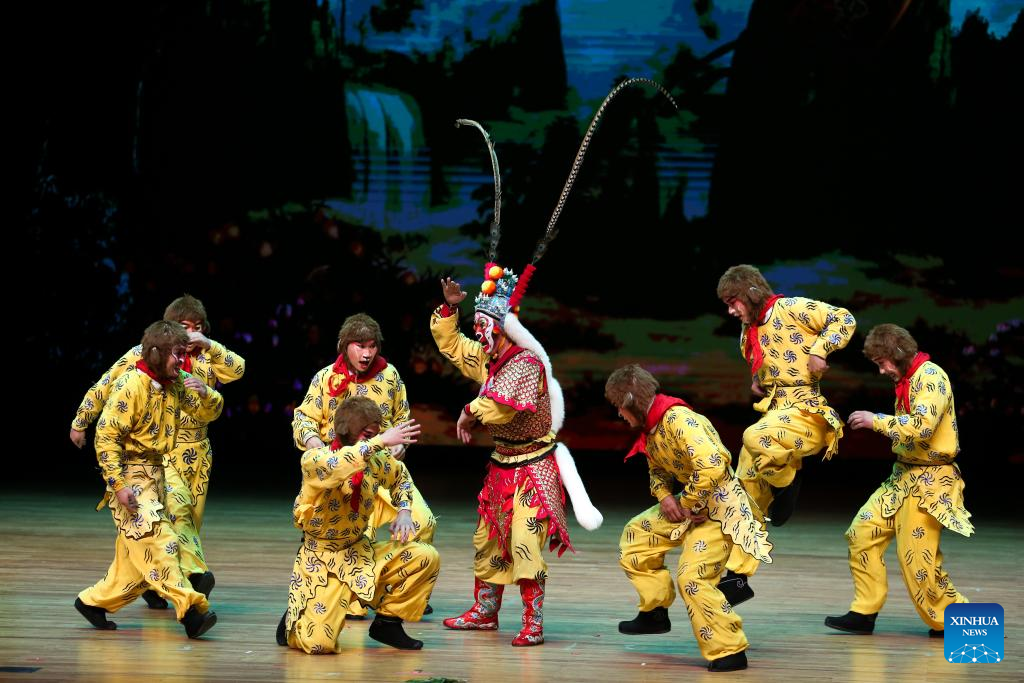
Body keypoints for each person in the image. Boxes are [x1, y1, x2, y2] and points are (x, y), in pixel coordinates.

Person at [432, 268, 602, 647]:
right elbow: (454, 346)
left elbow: (500, 407)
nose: (478, 333)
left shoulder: (525, 363)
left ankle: (533, 622)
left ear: (502, 328)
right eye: (476, 325)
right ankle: (485, 611)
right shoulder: (490, 357)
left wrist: (468, 411)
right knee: (489, 538)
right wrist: (448, 309)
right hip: (501, 465)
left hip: (533, 467)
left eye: (483, 326)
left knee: (524, 542)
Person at [70, 294, 243, 606]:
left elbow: (237, 370)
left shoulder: (205, 357)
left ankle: (149, 586)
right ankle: (193, 577)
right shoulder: (144, 356)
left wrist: (209, 348)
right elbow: (105, 385)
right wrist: (81, 421)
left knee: (186, 521)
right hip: (161, 452)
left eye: (198, 327)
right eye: (185, 326)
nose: (191, 333)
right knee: (173, 512)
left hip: (199, 451)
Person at [605, 364, 772, 672]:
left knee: (692, 579)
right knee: (637, 535)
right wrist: (666, 497)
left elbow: (713, 465)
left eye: (619, 406)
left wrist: (689, 502)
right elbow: (657, 470)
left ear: (631, 402)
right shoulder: (653, 429)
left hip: (721, 509)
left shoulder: (679, 419)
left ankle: (729, 650)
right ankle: (654, 612)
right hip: (690, 505)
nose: (619, 414)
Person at [715, 264, 855, 605]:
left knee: (753, 437)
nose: (731, 311)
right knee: (745, 490)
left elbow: (844, 318)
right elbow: (765, 368)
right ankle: (737, 577)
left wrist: (821, 349)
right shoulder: (748, 332)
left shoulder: (791, 308)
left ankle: (787, 482)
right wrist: (758, 381)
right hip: (775, 416)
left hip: (806, 413)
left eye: (733, 302)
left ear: (750, 294)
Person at [825, 324, 971, 636]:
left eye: (882, 363)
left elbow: (922, 427)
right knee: (862, 533)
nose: (881, 371)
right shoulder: (908, 380)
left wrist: (875, 420)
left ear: (899, 354)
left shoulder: (931, 377)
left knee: (917, 559)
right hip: (903, 476)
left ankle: (959, 621)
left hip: (931, 480)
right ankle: (864, 611)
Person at [292, 313, 436, 617]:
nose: (367, 353)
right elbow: (303, 418)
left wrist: (400, 444)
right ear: (345, 345)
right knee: (359, 536)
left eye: (372, 346)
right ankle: (355, 600)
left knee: (422, 522)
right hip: (343, 475)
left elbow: (402, 419)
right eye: (360, 346)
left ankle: (400, 591)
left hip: (383, 469)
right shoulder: (325, 378)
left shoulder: (390, 376)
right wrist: (315, 445)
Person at [278, 396, 437, 653]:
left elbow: (400, 477)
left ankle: (388, 623)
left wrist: (404, 510)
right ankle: (296, 617)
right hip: (321, 561)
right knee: (318, 645)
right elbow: (339, 465)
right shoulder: (316, 459)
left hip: (358, 553)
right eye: (368, 434)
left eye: (375, 434)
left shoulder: (375, 459)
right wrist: (380, 442)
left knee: (425, 556)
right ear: (348, 430)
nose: (375, 439)